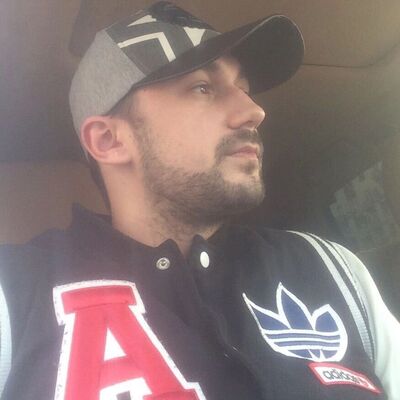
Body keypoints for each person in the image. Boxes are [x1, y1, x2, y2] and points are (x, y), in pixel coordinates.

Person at [0, 2, 399, 399]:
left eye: (243, 88)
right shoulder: (16, 296)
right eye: (202, 88)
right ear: (109, 140)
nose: (253, 111)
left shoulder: (329, 270)